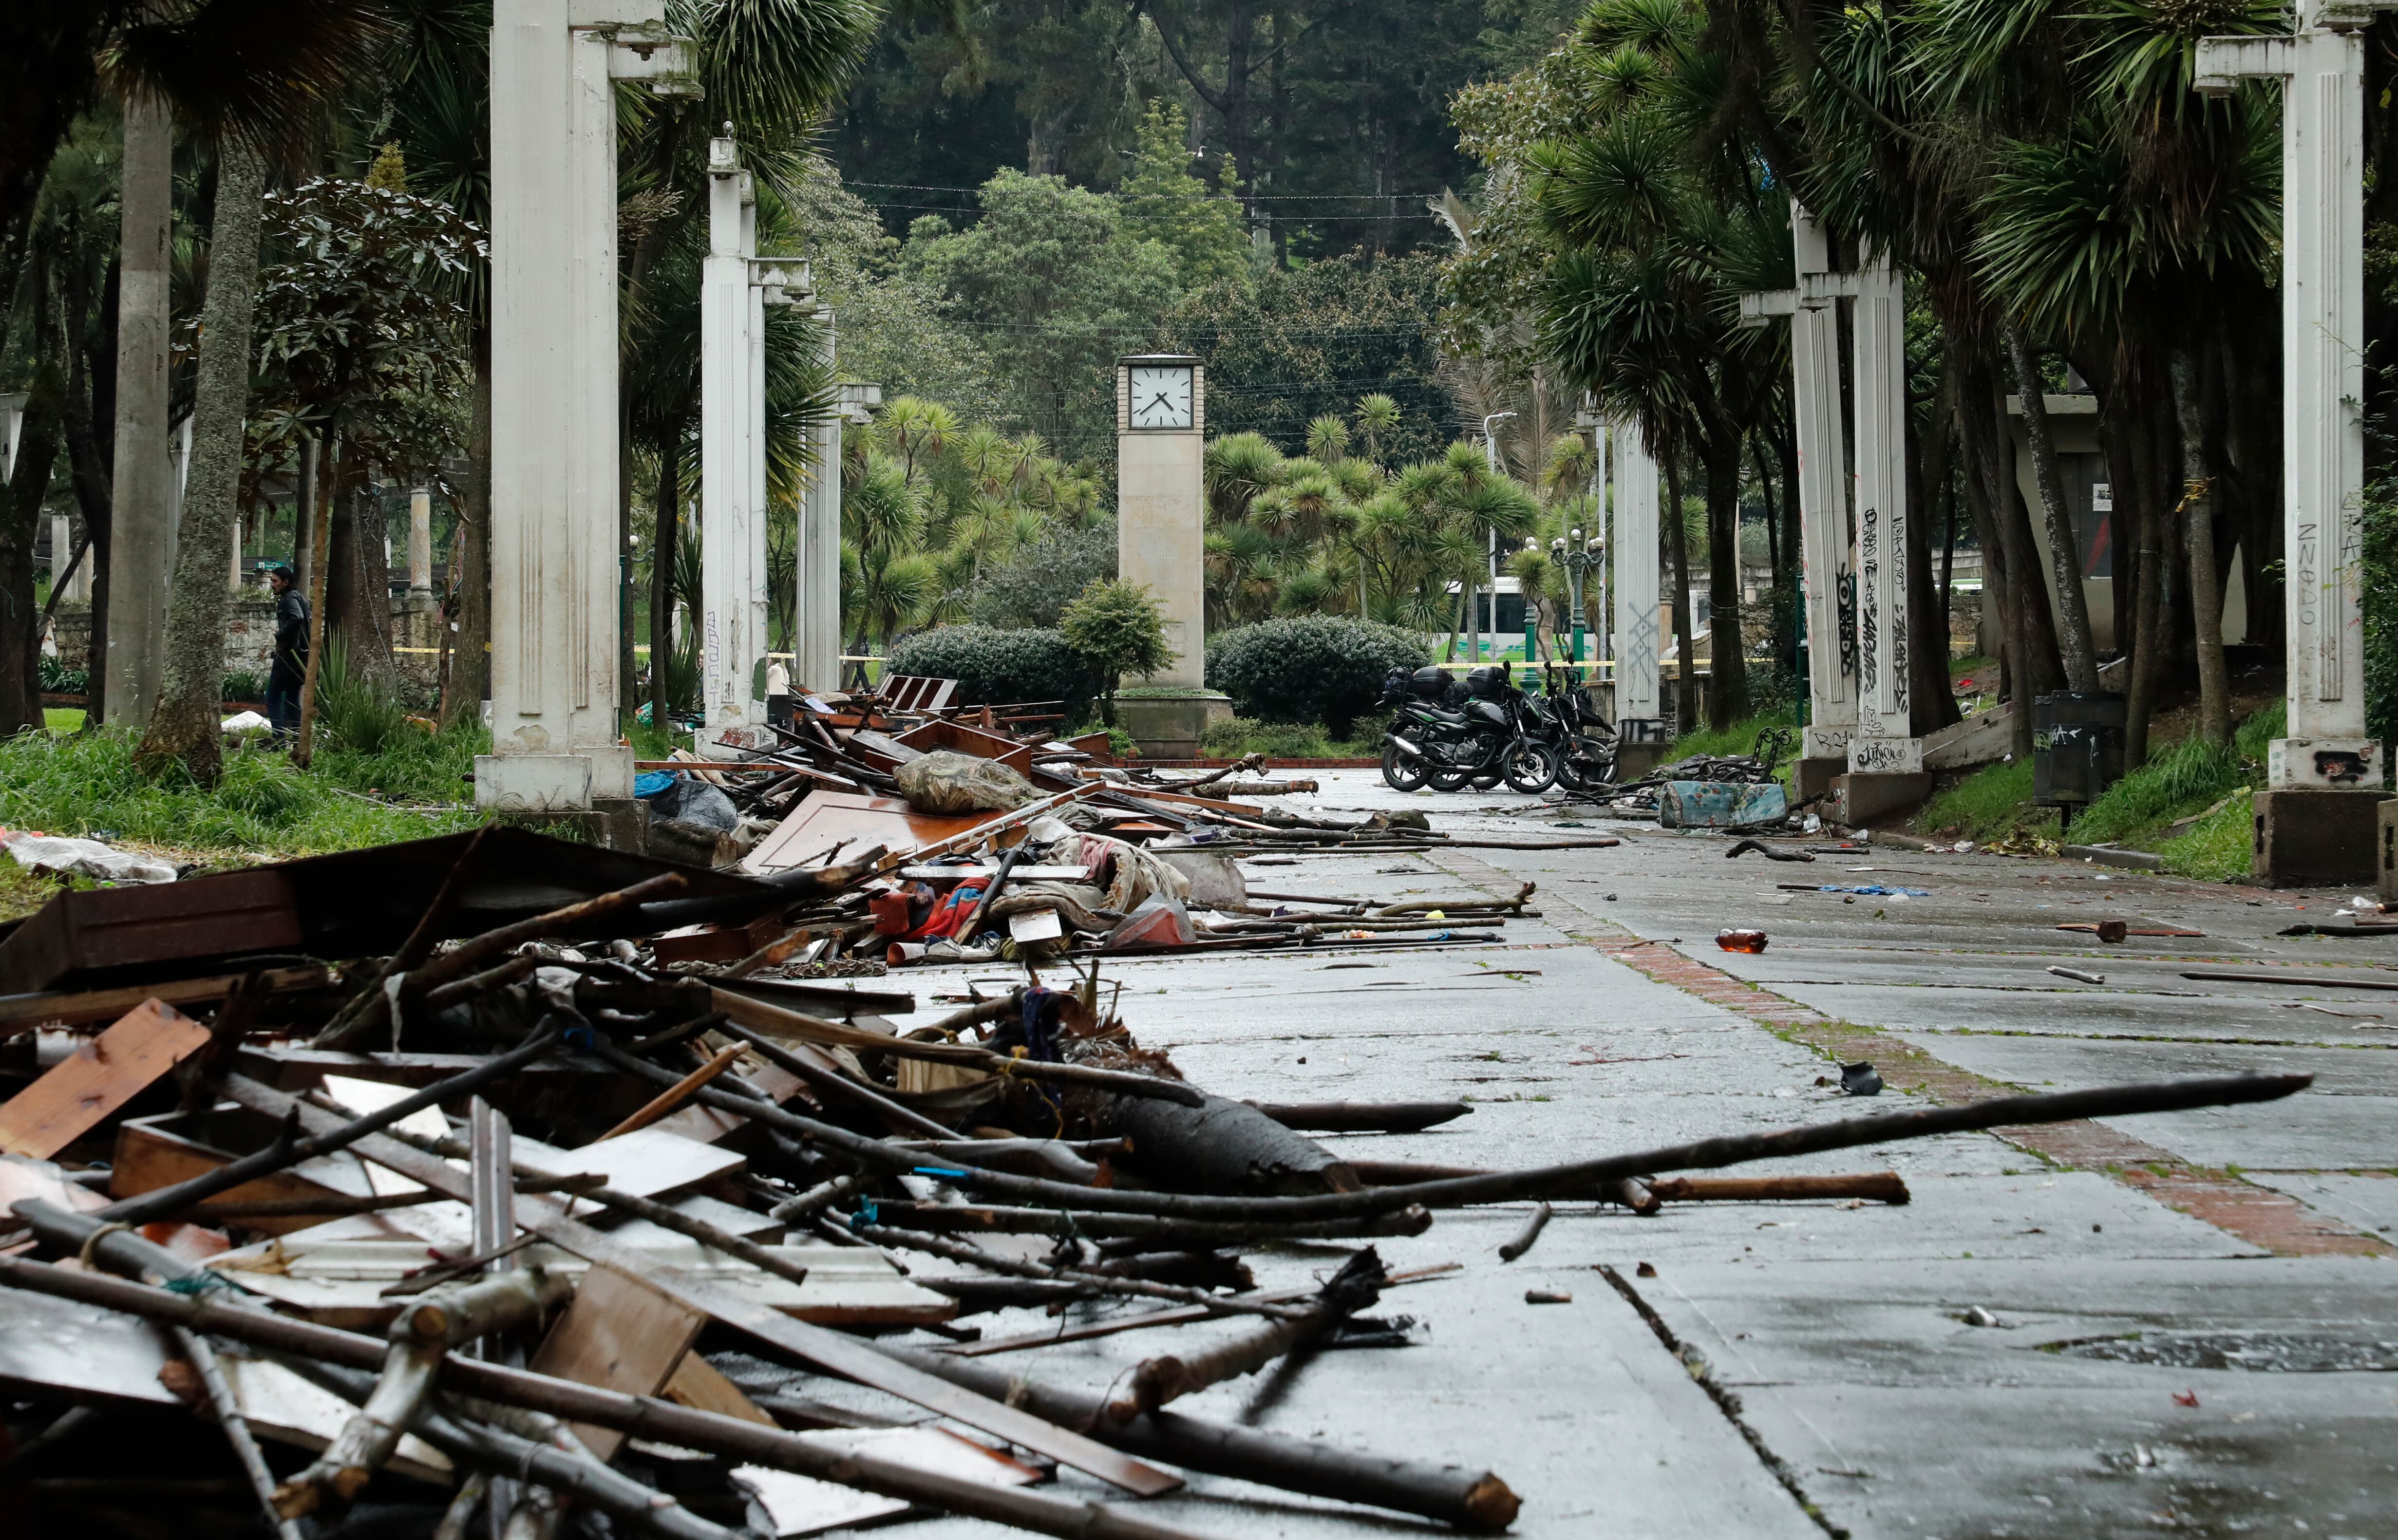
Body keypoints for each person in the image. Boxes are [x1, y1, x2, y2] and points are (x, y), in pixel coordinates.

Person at [265, 564, 309, 740]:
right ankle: (298, 739)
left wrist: (280, 636)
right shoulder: (297, 597)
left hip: (289, 657)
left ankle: (279, 740)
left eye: (275, 581)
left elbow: (296, 618)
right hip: (300, 656)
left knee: (272, 697)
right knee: (292, 698)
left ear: (285, 582)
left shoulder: (289, 599)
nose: (272, 584)